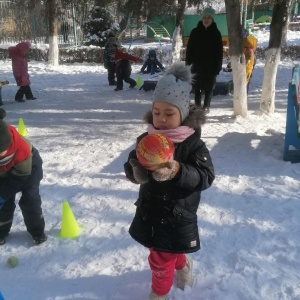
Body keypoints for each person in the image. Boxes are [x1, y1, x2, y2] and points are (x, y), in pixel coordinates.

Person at [124, 62, 215, 300]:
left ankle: (159, 294)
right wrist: (136, 169)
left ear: (183, 114)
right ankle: (183, 266)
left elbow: (205, 177)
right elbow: (132, 162)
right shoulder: (147, 138)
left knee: (159, 258)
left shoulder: (193, 144)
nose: (161, 120)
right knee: (167, 249)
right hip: (151, 208)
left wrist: (177, 170)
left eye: (169, 113)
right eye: (157, 113)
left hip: (177, 213)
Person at [0, 108, 46, 246]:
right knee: (4, 205)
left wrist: (2, 194)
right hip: (4, 173)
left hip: (29, 170)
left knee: (30, 199)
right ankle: (1, 232)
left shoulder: (22, 149)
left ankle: (37, 232)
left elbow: (19, 177)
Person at [185, 7, 223, 112]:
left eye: (209, 17)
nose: (206, 19)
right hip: (196, 65)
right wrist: (188, 64)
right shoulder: (195, 32)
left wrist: (217, 67)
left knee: (209, 87)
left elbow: (219, 52)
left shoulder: (216, 33)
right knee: (197, 88)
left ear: (212, 19)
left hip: (210, 67)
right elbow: (189, 50)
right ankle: (197, 106)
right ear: (202, 18)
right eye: (205, 17)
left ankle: (206, 106)